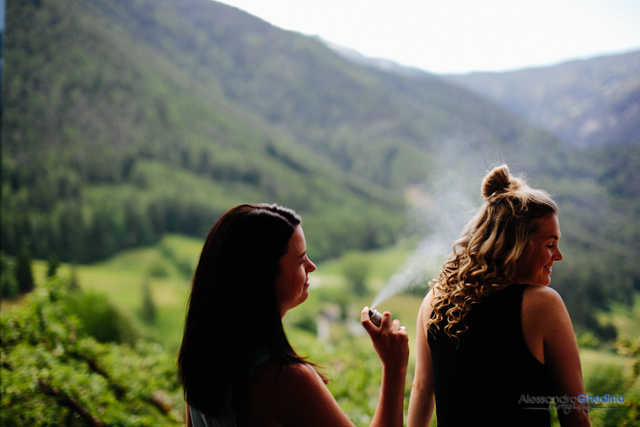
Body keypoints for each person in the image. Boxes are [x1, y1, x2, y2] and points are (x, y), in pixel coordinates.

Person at [178, 203, 409, 427]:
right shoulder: (285, 379)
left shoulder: (204, 358)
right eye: (301, 260)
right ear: (264, 277)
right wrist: (394, 366)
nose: (312, 266)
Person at [408, 165, 590, 427]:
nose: (558, 256)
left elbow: (422, 388)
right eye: (550, 244)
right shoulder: (543, 304)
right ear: (517, 245)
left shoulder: (433, 301)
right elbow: (573, 411)